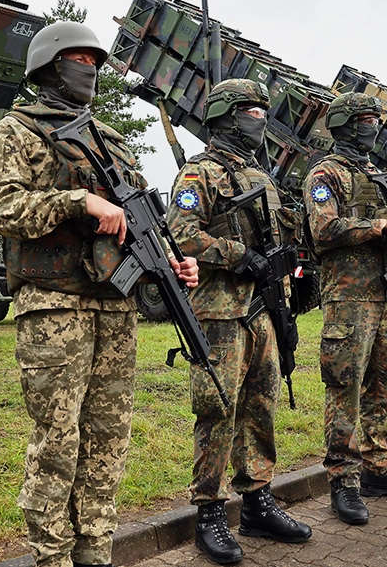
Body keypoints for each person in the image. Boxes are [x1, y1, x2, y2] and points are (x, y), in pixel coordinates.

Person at [0, 21, 198, 567]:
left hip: (114, 309)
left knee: (108, 440)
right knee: (57, 441)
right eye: (81, 60)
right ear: (53, 65)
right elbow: (1, 208)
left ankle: (95, 553)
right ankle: (52, 559)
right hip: (55, 307)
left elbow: (136, 225)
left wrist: (168, 263)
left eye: (97, 63)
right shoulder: (16, 132)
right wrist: (78, 202)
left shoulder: (111, 141)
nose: (91, 71)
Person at [166, 78, 312, 564]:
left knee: (260, 404)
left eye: (261, 110)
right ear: (227, 115)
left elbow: (278, 228)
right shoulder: (198, 174)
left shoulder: (261, 176)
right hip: (220, 312)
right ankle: (209, 510)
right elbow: (181, 235)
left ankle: (256, 501)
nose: (259, 118)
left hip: (262, 309)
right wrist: (235, 255)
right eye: (250, 109)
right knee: (217, 408)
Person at [303, 92, 387, 527]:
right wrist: (375, 226)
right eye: (364, 119)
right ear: (342, 123)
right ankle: (344, 480)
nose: (372, 125)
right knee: (346, 387)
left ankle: (378, 465)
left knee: (385, 383)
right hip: (349, 300)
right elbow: (324, 227)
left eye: (375, 118)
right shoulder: (326, 172)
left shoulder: (380, 174)